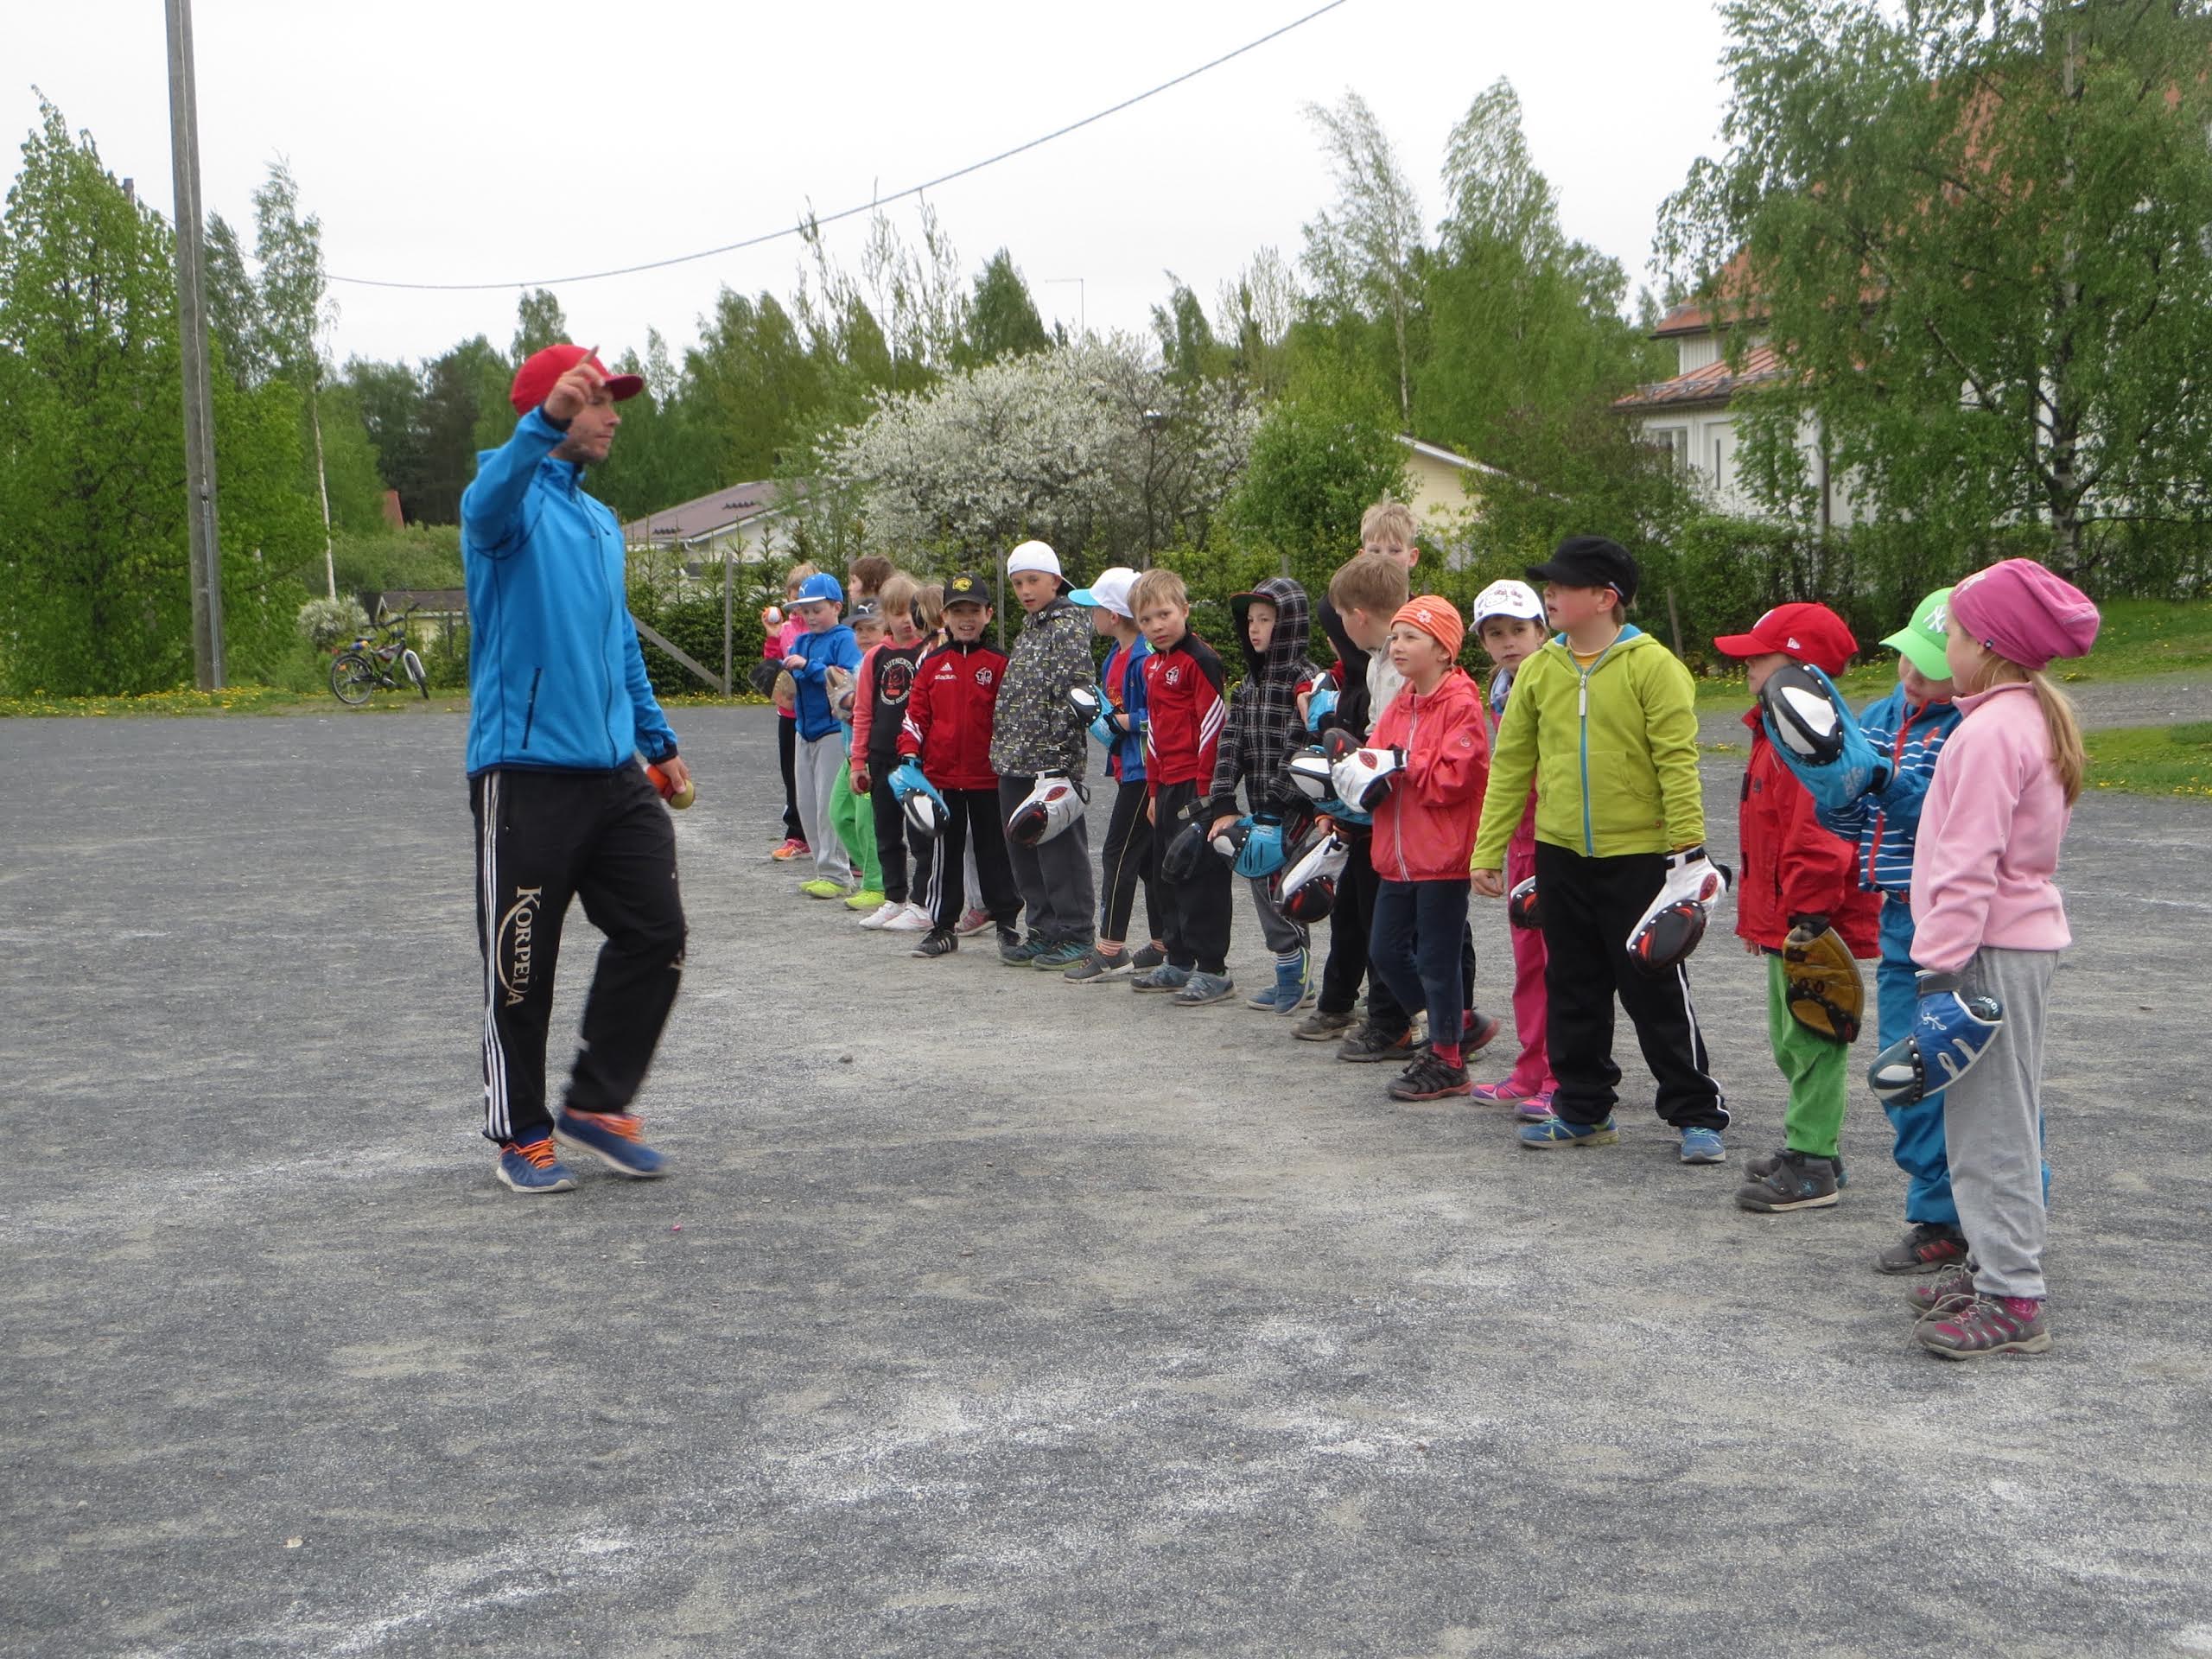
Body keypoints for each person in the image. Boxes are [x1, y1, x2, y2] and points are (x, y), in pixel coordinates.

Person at [460, 343, 686, 1194]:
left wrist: (656, 742)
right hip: (524, 774)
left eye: (610, 400)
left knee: (656, 931)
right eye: (596, 400)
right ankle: (521, 1133)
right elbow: (485, 505)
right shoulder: (506, 511)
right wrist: (543, 424)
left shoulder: (597, 522)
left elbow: (617, 639)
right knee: (523, 966)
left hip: (613, 775)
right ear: (550, 408)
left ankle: (597, 1103)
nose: (612, 414)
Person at [1471, 535, 1727, 1159]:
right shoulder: (1539, 669)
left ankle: (1696, 1113)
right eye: (1549, 586)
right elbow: (1511, 766)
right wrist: (1488, 849)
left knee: (1656, 992)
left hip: (1640, 858)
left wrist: (1688, 854)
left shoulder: (1654, 665)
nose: (1550, 596)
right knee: (1573, 987)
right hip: (1562, 856)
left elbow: (1676, 762)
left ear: (1605, 598)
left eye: (1561, 587)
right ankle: (1584, 1110)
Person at [1899, 559, 2097, 1359]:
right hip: (2007, 944)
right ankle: (1991, 1266)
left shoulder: (1987, 732)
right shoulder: (2023, 718)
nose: (1944, 639)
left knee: (1992, 1129)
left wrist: (1941, 970)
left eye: (1954, 629)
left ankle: (2014, 1295)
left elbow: (1967, 861)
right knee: (1981, 1120)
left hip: (1984, 951)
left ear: (1988, 643)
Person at [1806, 590, 1974, 1270]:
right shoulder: (1878, 716)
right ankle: (1941, 1212)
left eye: (1933, 667)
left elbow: (1942, 815)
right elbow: (1849, 820)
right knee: (1905, 1074)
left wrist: (1880, 779)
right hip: (1899, 919)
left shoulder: (1971, 729)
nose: (1913, 676)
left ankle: (1982, 1216)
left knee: (1978, 1078)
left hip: (1956, 915)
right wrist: (1834, 788)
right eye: (1908, 658)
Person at [1713, 603, 1881, 1211]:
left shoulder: (1806, 742)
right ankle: (1815, 1146)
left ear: (1800, 668)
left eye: (1759, 656)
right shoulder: (1773, 730)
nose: (1747, 666)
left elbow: (1820, 838)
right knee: (1789, 1038)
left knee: (1814, 1037)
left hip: (1809, 921)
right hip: (1782, 919)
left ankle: (1814, 1163)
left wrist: (1808, 919)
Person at [1361, 596, 1492, 1100]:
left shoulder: (1461, 702)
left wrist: (1399, 763)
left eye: (1411, 636)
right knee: (1386, 952)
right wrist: (1357, 769)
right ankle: (1455, 1025)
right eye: (1395, 636)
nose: (1397, 645)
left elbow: (1453, 781)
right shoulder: (1401, 703)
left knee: (1437, 960)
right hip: (1395, 856)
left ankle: (1448, 1057)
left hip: (1441, 857)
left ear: (1443, 650)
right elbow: (1377, 760)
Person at [1303, 552, 1418, 1059]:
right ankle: (1395, 1018)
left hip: (1405, 818)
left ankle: (1405, 1023)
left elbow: (1398, 745)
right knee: (1372, 916)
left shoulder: (1398, 664)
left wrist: (1353, 758)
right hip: (1378, 816)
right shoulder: (1377, 662)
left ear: (1357, 617)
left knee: (1399, 927)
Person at [1206, 576, 1324, 1014]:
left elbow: (1303, 741)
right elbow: (1230, 744)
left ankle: (1296, 970)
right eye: (1251, 621)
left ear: (1289, 623)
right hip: (1260, 806)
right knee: (1259, 874)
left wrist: (1276, 804)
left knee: (1277, 878)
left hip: (1295, 805)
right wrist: (1221, 800)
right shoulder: (1249, 686)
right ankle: (1291, 968)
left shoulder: (1305, 679)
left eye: (1266, 620)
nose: (1255, 628)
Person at [1466, 580, 1558, 1119]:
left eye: (1518, 630)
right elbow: (1504, 777)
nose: (1508, 643)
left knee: (1560, 964)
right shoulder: (1500, 689)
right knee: (1528, 963)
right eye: (1495, 634)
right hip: (1524, 842)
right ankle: (1531, 1066)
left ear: (1541, 631)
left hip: (1562, 838)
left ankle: (1560, 1074)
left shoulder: (1560, 683)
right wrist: (1493, 847)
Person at [898, 573, 1023, 959]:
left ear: (988, 614)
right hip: (941, 779)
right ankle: (941, 927)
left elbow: (1013, 719)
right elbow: (915, 715)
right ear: (944, 618)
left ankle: (1006, 925)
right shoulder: (932, 663)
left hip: (989, 777)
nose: (965, 619)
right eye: (957, 612)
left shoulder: (1001, 662)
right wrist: (908, 754)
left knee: (996, 853)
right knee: (943, 856)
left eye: (973, 611)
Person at [989, 541, 1098, 970]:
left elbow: (1075, 690)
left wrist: (1060, 758)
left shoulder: (1068, 625)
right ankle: (1043, 929)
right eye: (1017, 582)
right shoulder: (1030, 626)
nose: (1025, 589)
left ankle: (1075, 933)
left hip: (1051, 762)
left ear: (1055, 579)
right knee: (1023, 847)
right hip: (1014, 758)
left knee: (1060, 852)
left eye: (1033, 580)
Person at [1129, 568, 1236, 1006]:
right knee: (1165, 874)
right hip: (1166, 786)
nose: (1157, 625)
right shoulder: (1152, 665)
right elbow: (1152, 730)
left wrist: (1208, 791)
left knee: (1200, 876)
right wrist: (1153, 790)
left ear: (1185, 611)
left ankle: (1213, 968)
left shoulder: (1201, 660)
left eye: (1164, 614)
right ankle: (1177, 958)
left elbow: (1214, 727)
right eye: (1147, 619)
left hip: (1197, 785)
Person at [1062, 568, 1166, 982]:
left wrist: (1119, 720)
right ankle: (1163, 943)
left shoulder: (1141, 657)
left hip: (1145, 769)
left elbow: (1157, 716)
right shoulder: (1116, 655)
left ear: (1116, 614)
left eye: (1098, 607)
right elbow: (1111, 713)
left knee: (1117, 854)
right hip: (1130, 767)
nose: (1092, 615)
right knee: (1145, 862)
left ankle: (1110, 948)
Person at [851, 573, 937, 933]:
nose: (904, 620)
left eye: (909, 612)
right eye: (896, 612)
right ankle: (894, 898)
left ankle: (922, 902)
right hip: (880, 756)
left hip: (916, 760)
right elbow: (863, 711)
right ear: (884, 615)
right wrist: (858, 760)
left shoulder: (929, 651)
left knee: (921, 836)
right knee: (886, 832)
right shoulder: (875, 657)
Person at [781, 572, 864, 898]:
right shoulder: (802, 640)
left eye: (818, 609)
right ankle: (823, 868)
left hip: (832, 730)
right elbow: (792, 679)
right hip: (804, 729)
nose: (811, 616)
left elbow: (847, 678)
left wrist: (808, 667)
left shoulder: (844, 638)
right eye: (805, 610)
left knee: (829, 804)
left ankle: (838, 873)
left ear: (837, 607)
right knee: (806, 803)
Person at [828, 603, 887, 912]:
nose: (863, 635)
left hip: (870, 754)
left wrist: (848, 701)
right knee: (839, 813)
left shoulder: (885, 663)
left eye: (870, 628)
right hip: (851, 752)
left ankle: (878, 884)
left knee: (867, 821)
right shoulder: (861, 664)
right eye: (858, 629)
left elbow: (870, 711)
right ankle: (871, 868)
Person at [766, 563, 817, 861]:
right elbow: (772, 668)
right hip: (789, 716)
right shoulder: (785, 630)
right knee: (793, 777)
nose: (800, 610)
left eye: (806, 602)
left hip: (817, 716)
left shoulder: (821, 629)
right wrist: (773, 638)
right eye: (794, 601)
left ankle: (824, 836)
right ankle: (797, 835)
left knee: (820, 779)